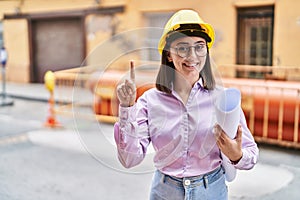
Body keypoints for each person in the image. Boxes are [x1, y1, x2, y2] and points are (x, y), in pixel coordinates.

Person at [114, 9, 259, 200]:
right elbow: (129, 159)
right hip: (165, 192)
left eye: (199, 46)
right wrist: (127, 108)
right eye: (182, 48)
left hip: (212, 192)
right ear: (168, 55)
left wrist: (236, 155)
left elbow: (251, 156)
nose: (192, 56)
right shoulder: (150, 101)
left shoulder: (222, 99)